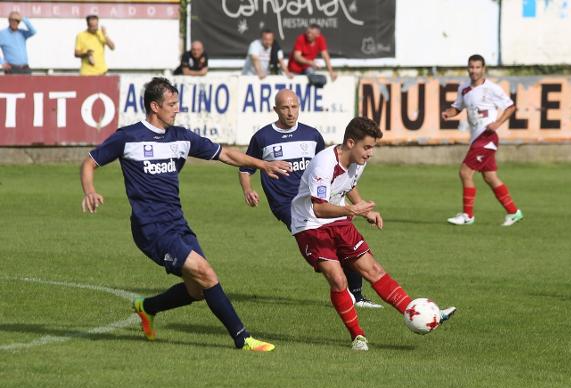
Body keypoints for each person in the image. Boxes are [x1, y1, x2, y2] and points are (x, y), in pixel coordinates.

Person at [80, 77, 292, 351]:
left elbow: (225, 154)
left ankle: (147, 307)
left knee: (197, 290)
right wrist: (89, 190)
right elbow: (89, 162)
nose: (177, 109)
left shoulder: (181, 137)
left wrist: (261, 164)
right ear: (154, 106)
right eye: (172, 104)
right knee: (206, 273)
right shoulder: (128, 137)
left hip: (177, 224)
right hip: (150, 228)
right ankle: (243, 339)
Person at [290, 117, 456, 350]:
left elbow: (348, 185)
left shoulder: (358, 161)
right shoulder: (323, 164)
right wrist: (351, 209)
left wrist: (366, 210)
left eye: (373, 148)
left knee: (374, 270)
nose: (371, 153)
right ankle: (358, 336)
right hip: (310, 224)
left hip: (338, 218)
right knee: (338, 280)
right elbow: (318, 207)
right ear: (350, 142)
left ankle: (420, 314)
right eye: (367, 147)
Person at [238, 90, 381, 308]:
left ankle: (356, 296)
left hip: (319, 197)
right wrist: (248, 189)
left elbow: (337, 175)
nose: (290, 112)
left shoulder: (312, 135)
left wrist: (363, 208)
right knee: (326, 240)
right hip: (287, 205)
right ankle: (344, 290)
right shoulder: (263, 137)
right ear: (276, 109)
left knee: (343, 236)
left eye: (294, 107)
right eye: (285, 108)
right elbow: (246, 167)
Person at [442, 54, 523, 226]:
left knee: (465, 172)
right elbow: (457, 107)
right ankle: (513, 212)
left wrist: (498, 123)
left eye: (477, 67)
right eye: (471, 67)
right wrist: (449, 113)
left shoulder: (492, 88)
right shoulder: (464, 88)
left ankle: (467, 215)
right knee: (490, 177)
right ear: (468, 68)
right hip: (477, 138)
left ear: (483, 69)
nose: (474, 70)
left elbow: (511, 106)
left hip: (486, 137)